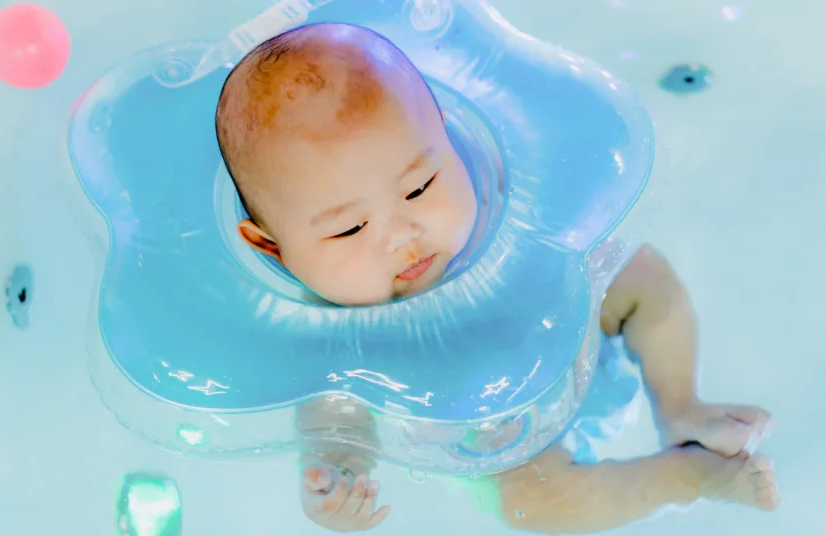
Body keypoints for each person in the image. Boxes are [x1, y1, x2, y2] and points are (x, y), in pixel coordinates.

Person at [214, 22, 779, 533]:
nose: (402, 234)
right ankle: (687, 478)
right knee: (537, 505)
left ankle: (681, 404)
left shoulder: (499, 197)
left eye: (419, 188)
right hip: (503, 440)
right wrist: (336, 481)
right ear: (273, 249)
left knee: (642, 274)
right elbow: (334, 426)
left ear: (447, 138)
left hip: (576, 334)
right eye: (350, 229)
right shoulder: (325, 335)